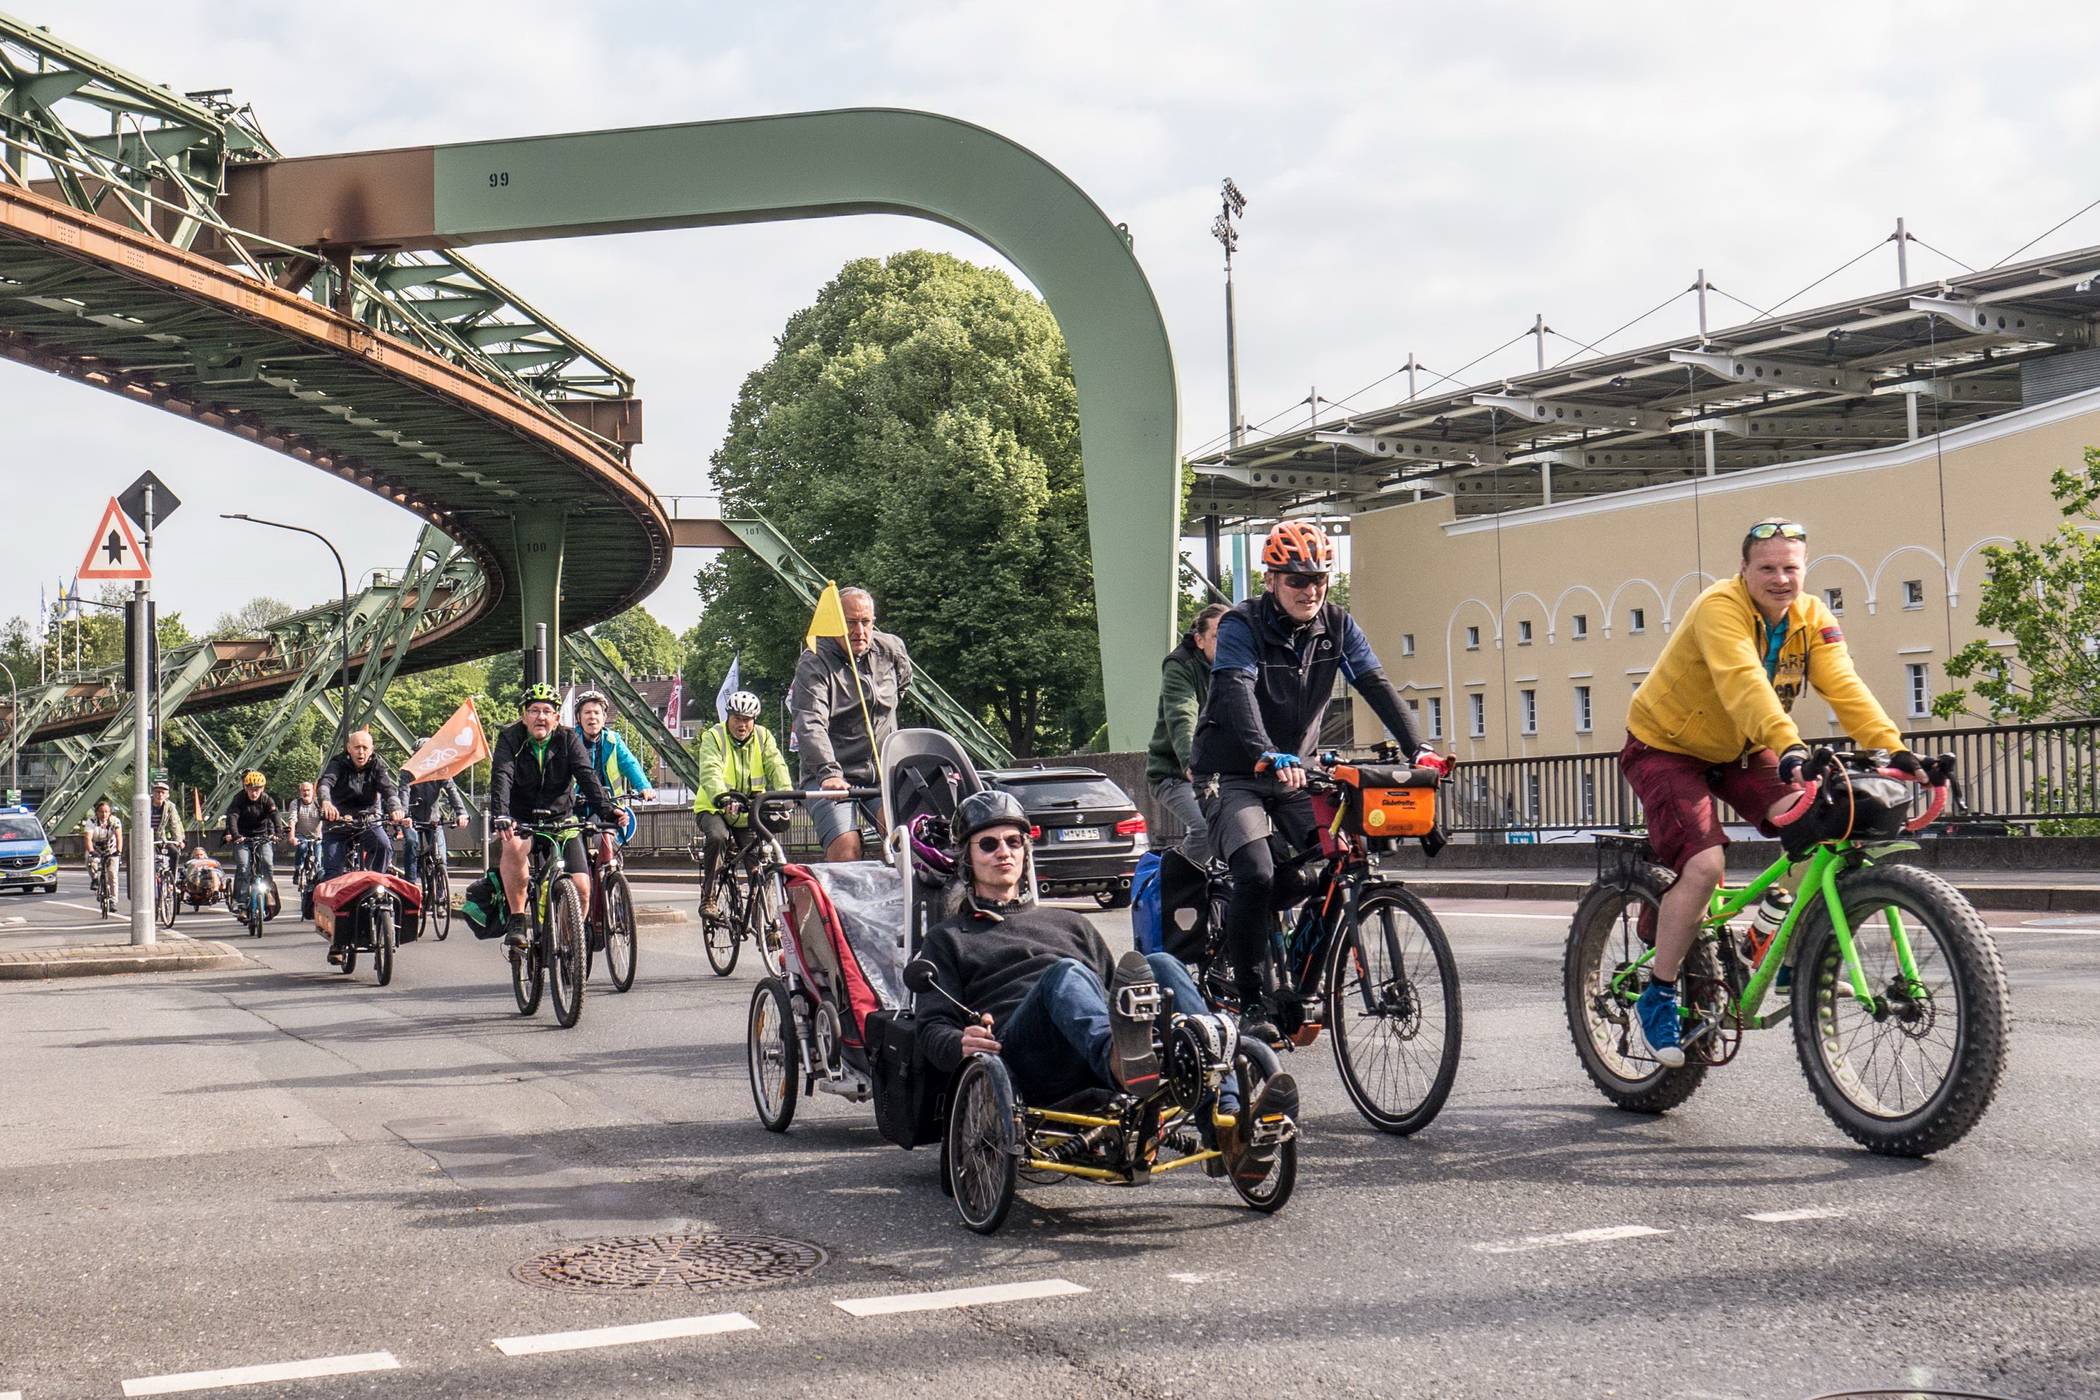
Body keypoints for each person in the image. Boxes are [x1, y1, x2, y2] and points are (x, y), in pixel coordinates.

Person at [1622, 517, 1916, 1066]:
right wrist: (1789, 743)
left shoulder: (1812, 617)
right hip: (1667, 745)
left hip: (1742, 744)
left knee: (1819, 827)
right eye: (1767, 568)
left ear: (1804, 571)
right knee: (1705, 866)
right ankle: (1659, 993)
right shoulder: (1720, 608)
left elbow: (1844, 683)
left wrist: (1892, 747)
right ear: (1744, 569)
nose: (1780, 579)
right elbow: (1742, 681)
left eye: (1791, 568)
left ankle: (1783, 953)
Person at [913, 789, 1297, 1180]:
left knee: (1162, 963)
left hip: (1094, 1044)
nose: (1004, 853)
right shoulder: (948, 938)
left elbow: (1118, 997)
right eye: (989, 845)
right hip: (1024, 1057)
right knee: (1065, 974)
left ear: (1026, 851)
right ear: (968, 861)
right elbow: (929, 1028)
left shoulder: (1071, 924)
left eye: (1014, 842)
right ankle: (1119, 1060)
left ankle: (1227, 1124)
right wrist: (959, 1041)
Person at [1189, 520, 1448, 1043]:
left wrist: (1418, 747)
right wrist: (1266, 752)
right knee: (1257, 875)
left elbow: (1374, 683)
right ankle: (1254, 1000)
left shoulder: (1337, 623)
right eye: (1296, 580)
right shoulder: (1242, 625)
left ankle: (1302, 972)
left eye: (1318, 580)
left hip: (1296, 770)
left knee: (1335, 858)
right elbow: (1237, 690)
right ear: (1271, 580)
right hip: (1234, 771)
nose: (1309, 591)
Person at [488, 681, 622, 951]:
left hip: (561, 819)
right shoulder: (510, 738)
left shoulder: (568, 738)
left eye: (547, 711)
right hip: (522, 818)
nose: (540, 716)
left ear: (557, 718)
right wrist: (502, 814)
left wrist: (607, 810)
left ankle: (570, 943)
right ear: (524, 716)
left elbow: (586, 774)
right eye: (534, 710)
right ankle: (517, 921)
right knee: (513, 847)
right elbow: (502, 775)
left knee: (583, 886)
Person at [791, 586, 913, 861]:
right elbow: (810, 722)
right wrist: (828, 772)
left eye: (866, 622)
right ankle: (843, 903)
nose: (860, 631)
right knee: (846, 845)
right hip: (832, 776)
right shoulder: (814, 661)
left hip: (881, 774)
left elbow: (901, 688)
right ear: (836, 623)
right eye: (850, 622)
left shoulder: (891, 650)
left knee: (905, 837)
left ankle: (902, 899)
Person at [693, 689, 790, 917]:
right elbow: (710, 769)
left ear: (754, 720)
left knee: (759, 856)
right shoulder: (714, 736)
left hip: (748, 811)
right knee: (718, 837)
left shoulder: (764, 736)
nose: (742, 724)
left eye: (747, 720)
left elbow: (776, 764)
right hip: (714, 806)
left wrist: (787, 794)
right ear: (728, 717)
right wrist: (722, 796)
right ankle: (708, 898)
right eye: (737, 718)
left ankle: (763, 917)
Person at [1146, 602, 1229, 865]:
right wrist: (1191, 761)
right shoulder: (1180, 665)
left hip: (1227, 773)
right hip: (1175, 774)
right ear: (1200, 640)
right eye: (1218, 636)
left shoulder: (1243, 666)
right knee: (1206, 829)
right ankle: (1174, 885)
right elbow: (1182, 715)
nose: (1227, 643)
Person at [317, 728, 406, 947]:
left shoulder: (376, 766)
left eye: (365, 747)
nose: (361, 751)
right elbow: (325, 784)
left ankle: (374, 885)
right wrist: (326, 803)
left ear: (372, 750)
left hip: (366, 820)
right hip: (338, 822)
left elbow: (388, 789)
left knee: (384, 846)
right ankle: (336, 941)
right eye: (357, 747)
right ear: (348, 748)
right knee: (333, 874)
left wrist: (395, 807)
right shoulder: (338, 763)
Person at [398, 741, 468, 887]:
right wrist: (404, 815)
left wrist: (461, 813)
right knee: (411, 842)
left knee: (440, 856)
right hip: (411, 819)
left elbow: (452, 791)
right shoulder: (407, 771)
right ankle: (410, 886)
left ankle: (440, 897)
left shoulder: (441, 770)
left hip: (433, 820)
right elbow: (404, 793)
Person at [221, 770, 281, 897]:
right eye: (251, 789)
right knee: (243, 867)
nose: (254, 793)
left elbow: (274, 815)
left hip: (262, 837)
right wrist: (235, 835)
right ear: (245, 787)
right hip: (243, 837)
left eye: (257, 790)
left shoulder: (266, 799)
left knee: (268, 863)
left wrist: (278, 832)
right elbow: (232, 817)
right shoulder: (239, 799)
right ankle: (241, 902)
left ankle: (268, 893)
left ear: (262, 788)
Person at [284, 780, 325, 918]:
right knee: (301, 847)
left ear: (313, 792)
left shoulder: (318, 804)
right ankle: (298, 869)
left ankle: (316, 885)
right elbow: (292, 820)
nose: (306, 793)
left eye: (308, 790)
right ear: (300, 791)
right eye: (303, 790)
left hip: (317, 836)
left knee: (318, 862)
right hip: (301, 835)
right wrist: (292, 837)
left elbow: (326, 818)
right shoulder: (296, 803)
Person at [81, 798, 123, 896]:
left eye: (106, 812)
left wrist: (119, 851)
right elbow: (88, 838)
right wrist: (91, 851)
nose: (104, 814)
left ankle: (113, 899)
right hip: (96, 847)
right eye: (101, 812)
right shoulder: (91, 821)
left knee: (113, 875)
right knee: (89, 860)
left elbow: (119, 836)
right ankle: (94, 879)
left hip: (111, 848)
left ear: (110, 813)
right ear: (96, 813)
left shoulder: (115, 821)